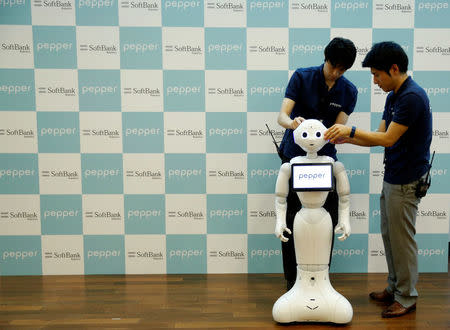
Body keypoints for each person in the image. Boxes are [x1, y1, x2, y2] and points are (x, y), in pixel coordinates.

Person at [324, 41, 432, 318]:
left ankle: (406, 297)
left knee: (402, 240)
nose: (375, 81)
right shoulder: (394, 96)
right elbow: (379, 138)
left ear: (394, 69)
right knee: (390, 236)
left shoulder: (412, 97)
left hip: (407, 181)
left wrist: (349, 130)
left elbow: (387, 138)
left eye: (377, 74)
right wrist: (345, 136)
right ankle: (395, 287)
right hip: (393, 176)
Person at [276, 37, 358, 291]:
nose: (336, 73)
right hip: (294, 156)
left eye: (342, 70)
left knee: (328, 217)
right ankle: (292, 279)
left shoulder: (349, 91)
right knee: (290, 216)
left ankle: (321, 278)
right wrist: (293, 124)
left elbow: (341, 127)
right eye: (333, 66)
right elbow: (282, 116)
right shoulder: (302, 77)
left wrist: (341, 134)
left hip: (326, 160)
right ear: (325, 58)